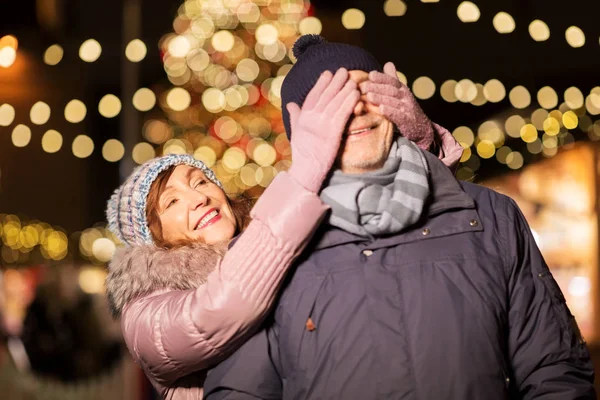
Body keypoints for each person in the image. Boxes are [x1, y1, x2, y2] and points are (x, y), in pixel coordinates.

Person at [202, 35, 596, 399]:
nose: (356, 108)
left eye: (366, 90)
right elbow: (240, 391)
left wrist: (427, 144)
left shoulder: (491, 216)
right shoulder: (265, 252)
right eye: (333, 101)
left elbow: (555, 370)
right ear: (302, 132)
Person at [104, 66, 360, 399]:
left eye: (200, 181)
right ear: (154, 236)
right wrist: (303, 178)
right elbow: (222, 309)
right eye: (172, 202)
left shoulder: (274, 242)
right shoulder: (144, 314)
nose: (199, 198)